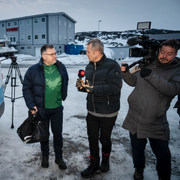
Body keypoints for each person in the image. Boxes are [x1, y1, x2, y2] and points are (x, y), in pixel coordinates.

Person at [120, 39, 180, 180]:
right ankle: (139, 170)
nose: (164, 56)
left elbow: (172, 90)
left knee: (163, 155)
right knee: (137, 150)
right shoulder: (148, 63)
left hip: (156, 121)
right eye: (163, 52)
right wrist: (125, 73)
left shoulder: (177, 70)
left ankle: (164, 177)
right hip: (135, 118)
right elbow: (133, 81)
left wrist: (151, 75)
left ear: (175, 54)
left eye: (169, 54)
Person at [76, 38, 122, 178]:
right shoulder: (89, 66)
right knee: (92, 138)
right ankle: (94, 164)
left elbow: (115, 87)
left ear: (97, 52)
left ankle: (105, 161)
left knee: (105, 139)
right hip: (92, 110)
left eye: (89, 51)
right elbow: (90, 87)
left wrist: (92, 88)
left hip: (108, 111)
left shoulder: (112, 66)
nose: (86, 54)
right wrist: (83, 87)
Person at [23, 44, 69, 170]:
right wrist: (31, 105)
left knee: (57, 134)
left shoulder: (61, 67)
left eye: (55, 53)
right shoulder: (33, 70)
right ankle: (45, 156)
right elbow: (26, 88)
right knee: (44, 134)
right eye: (52, 54)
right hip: (41, 109)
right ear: (44, 56)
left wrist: (63, 94)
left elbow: (66, 80)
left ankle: (59, 157)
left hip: (57, 108)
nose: (55, 56)